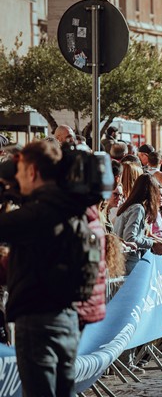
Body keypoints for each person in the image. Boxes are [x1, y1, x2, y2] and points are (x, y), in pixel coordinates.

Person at [0, 140, 88, 396]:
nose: (15, 177)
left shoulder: (38, 215)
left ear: (32, 171)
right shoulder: (72, 209)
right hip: (67, 319)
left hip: (37, 320)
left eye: (20, 171)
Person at [114, 173, 162, 274]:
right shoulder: (137, 209)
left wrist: (154, 241)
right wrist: (153, 243)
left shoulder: (128, 206)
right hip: (129, 264)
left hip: (123, 262)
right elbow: (130, 238)